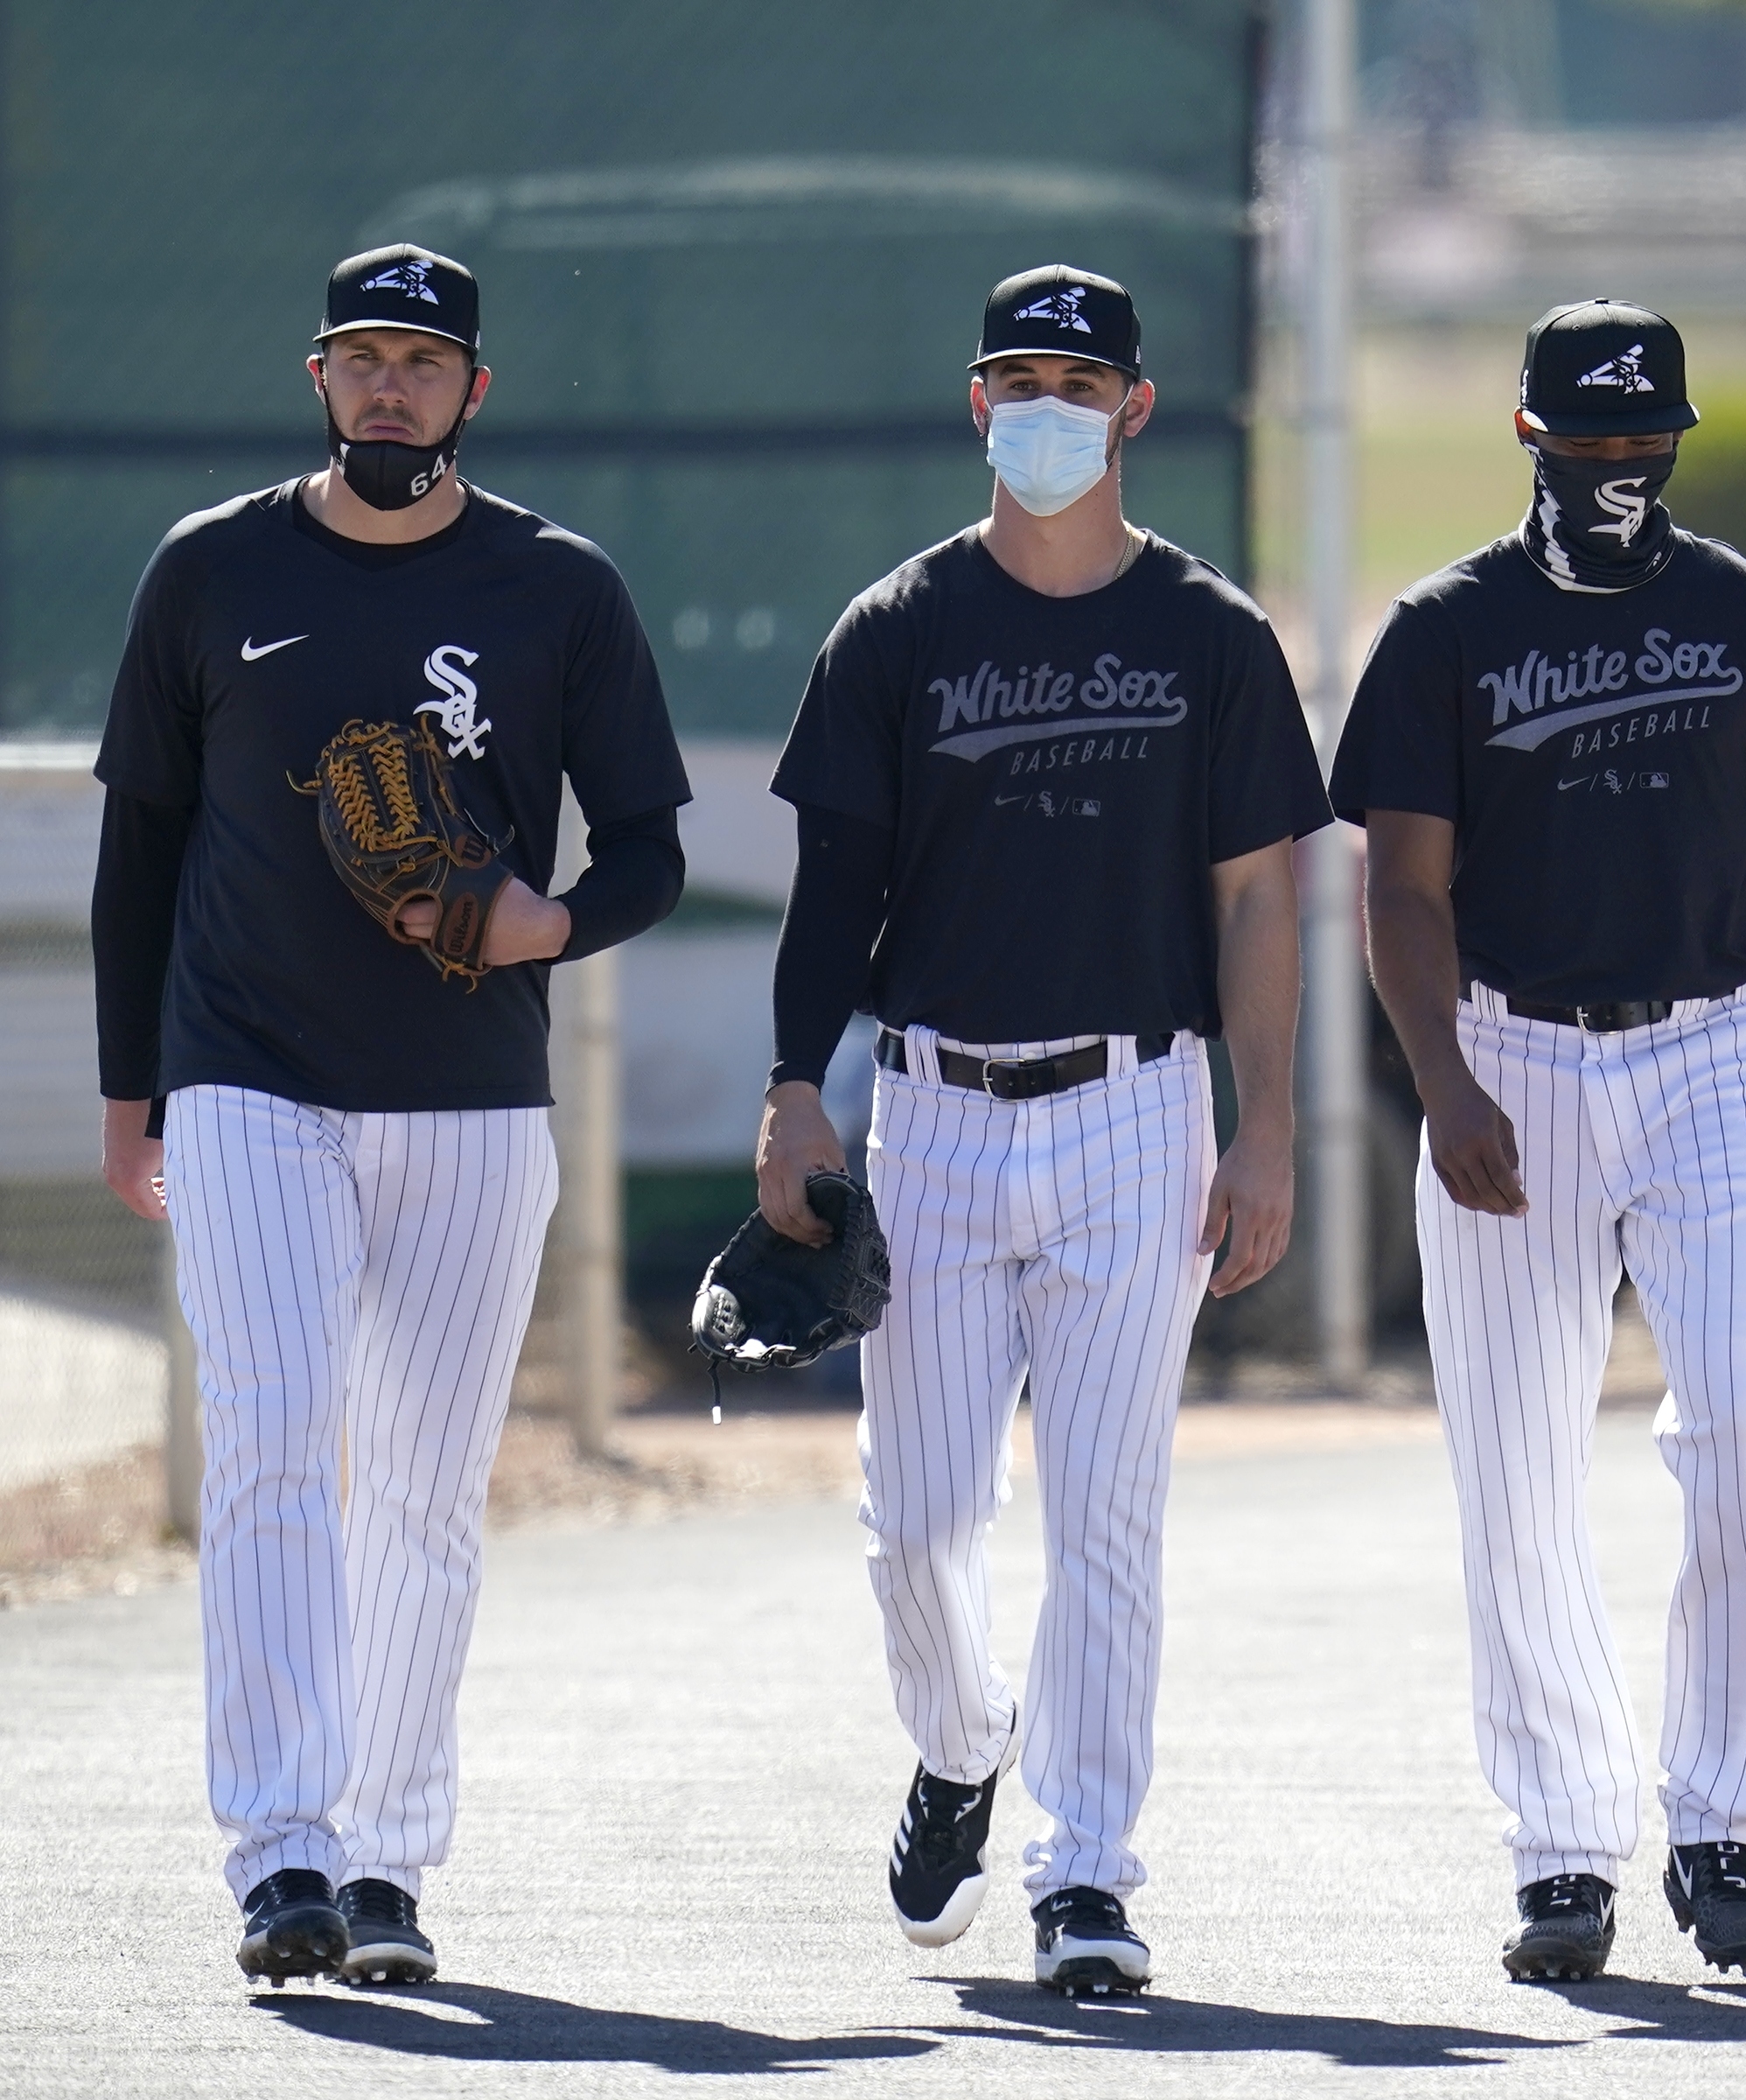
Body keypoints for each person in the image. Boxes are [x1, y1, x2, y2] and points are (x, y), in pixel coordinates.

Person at [89, 245, 689, 1986]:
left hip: (471, 1092)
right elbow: (141, 848)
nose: (389, 388)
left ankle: (388, 1861)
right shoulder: (211, 571)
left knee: (423, 1491)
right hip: (245, 1073)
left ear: (474, 392)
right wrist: (136, 1094)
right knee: (276, 1444)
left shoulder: (557, 589)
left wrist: (550, 920)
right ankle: (281, 1849)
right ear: (317, 374)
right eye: (362, 356)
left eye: (423, 362)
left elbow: (648, 838)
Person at [756, 266, 1330, 1996]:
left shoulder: (1211, 637)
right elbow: (832, 889)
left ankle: (1089, 1872)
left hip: (1135, 1107)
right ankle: (960, 1742)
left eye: (1081, 379)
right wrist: (797, 1093)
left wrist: (1269, 1128)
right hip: (929, 1111)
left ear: (1137, 408)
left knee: (1107, 1517)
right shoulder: (897, 628)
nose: (1048, 405)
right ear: (977, 399)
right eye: (1018, 374)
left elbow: (1257, 902)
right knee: (917, 1524)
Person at [1330, 300, 1746, 1983]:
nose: (1615, 471)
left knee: (1742, 1429)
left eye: (1641, 441)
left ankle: (1722, 1824)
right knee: (1513, 1469)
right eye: (1586, 444)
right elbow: (1404, 887)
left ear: (1678, 438)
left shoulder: (1745, 619)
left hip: (1718, 1053)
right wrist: (1442, 1078)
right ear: (1528, 436)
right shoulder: (1448, 627)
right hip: (1513, 1055)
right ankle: (1567, 1847)